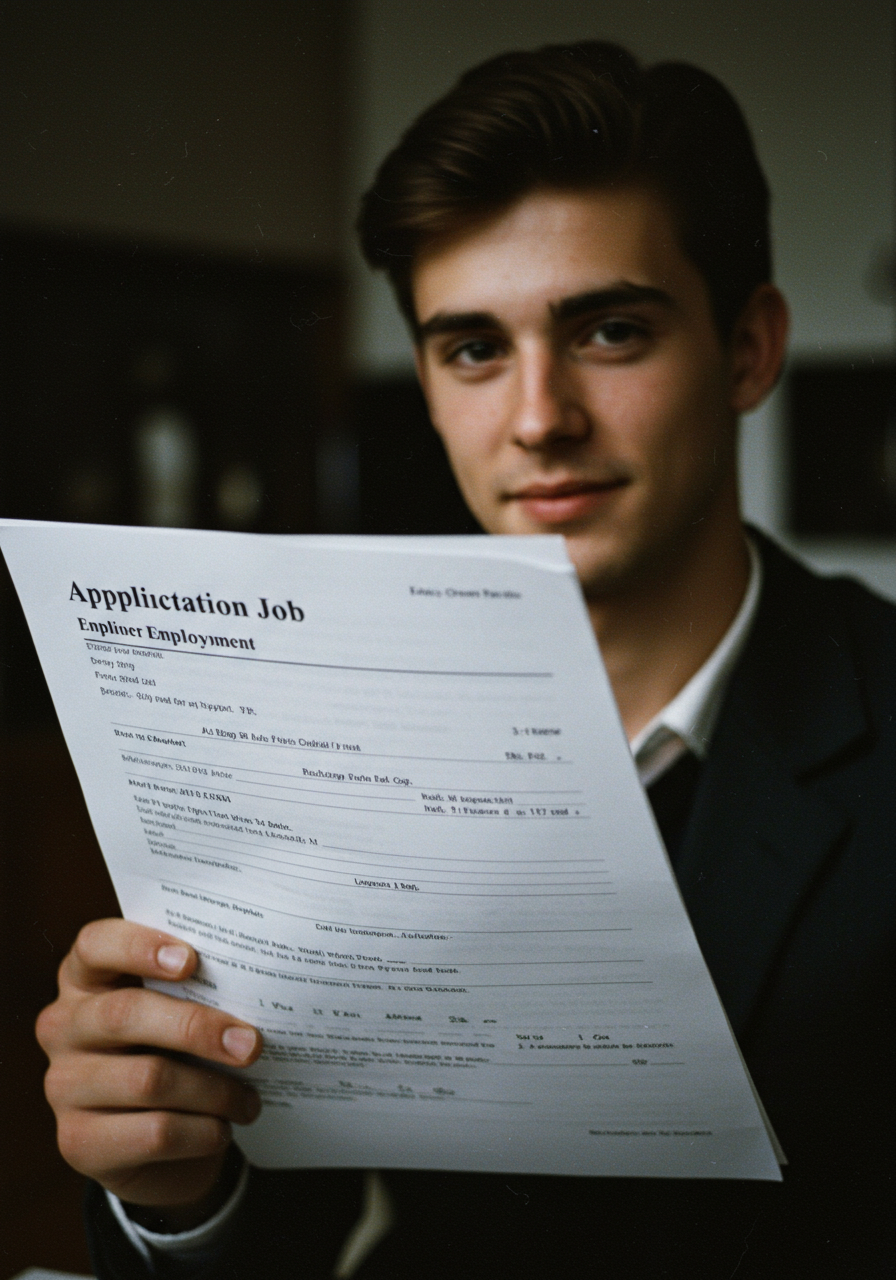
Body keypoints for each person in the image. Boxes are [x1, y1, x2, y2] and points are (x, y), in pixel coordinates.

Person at [36, 42, 894, 1279]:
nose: (537, 417)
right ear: (432, 389)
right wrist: (179, 1188)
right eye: (472, 349)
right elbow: (281, 1231)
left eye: (607, 329)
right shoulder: (318, 746)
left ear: (748, 349)